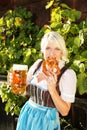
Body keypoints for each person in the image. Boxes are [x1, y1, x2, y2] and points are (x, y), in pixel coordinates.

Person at [16, 31, 77, 130]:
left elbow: (65, 111)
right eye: (48, 48)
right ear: (43, 50)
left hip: (46, 122)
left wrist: (52, 90)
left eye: (57, 49)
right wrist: (15, 83)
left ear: (62, 52)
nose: (52, 53)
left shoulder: (67, 74)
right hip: (27, 115)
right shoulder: (38, 64)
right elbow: (22, 92)